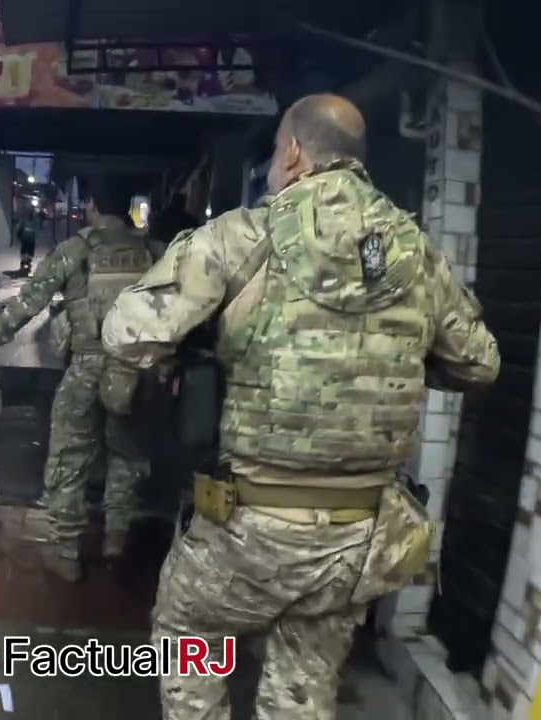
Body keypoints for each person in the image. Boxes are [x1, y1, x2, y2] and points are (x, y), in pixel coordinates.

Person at [101, 94, 501, 719]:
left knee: (187, 634)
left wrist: (204, 334)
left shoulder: (243, 235)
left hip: (249, 528)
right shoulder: (415, 252)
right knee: (304, 680)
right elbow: (479, 362)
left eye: (272, 158)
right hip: (360, 535)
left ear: (291, 152)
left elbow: (126, 332)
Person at [0, 180, 166, 582]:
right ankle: (116, 538)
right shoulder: (154, 252)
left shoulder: (74, 251)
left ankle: (67, 552)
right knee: (127, 453)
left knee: (69, 460)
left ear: (91, 205)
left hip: (86, 371)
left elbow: (25, 306)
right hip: (136, 371)